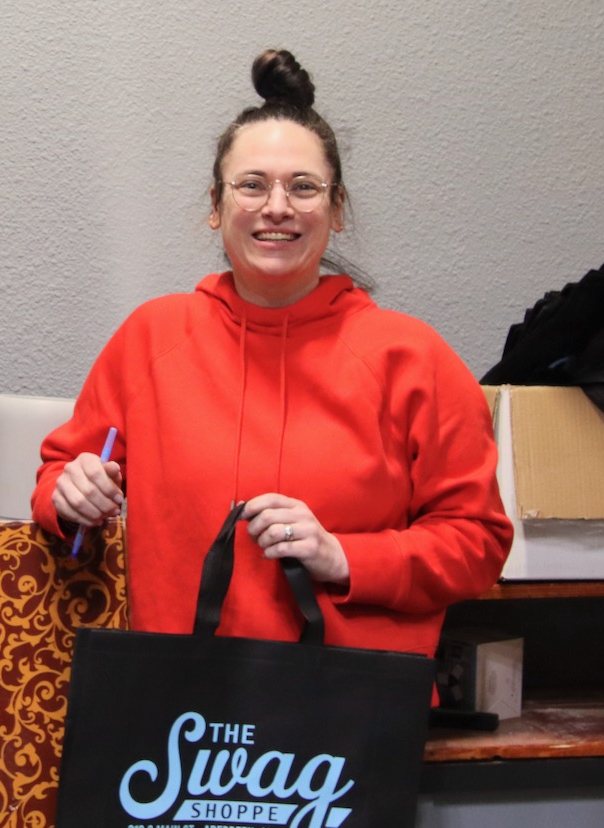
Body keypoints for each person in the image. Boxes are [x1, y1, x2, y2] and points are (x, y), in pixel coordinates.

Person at [31, 49, 512, 662]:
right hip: (175, 703)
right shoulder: (152, 336)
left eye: (304, 188)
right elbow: (57, 478)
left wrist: (344, 557)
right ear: (216, 205)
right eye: (252, 185)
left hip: (346, 711)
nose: (277, 207)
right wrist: (68, 497)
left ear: (337, 211)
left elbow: (478, 541)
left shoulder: (412, 356)